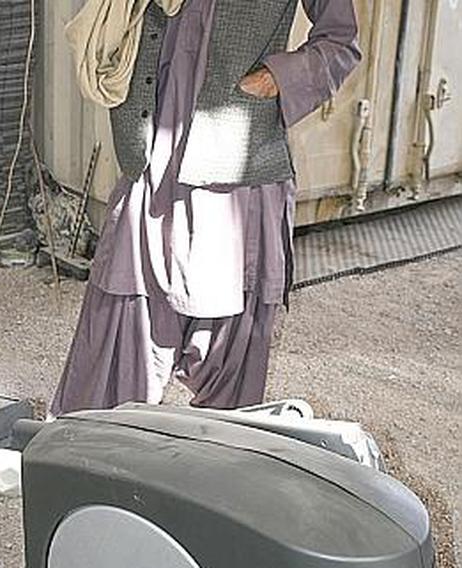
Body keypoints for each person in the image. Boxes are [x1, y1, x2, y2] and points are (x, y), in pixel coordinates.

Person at [52, 0, 361, 414]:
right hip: (150, 152)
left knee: (229, 342)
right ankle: (87, 459)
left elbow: (340, 41)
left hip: (235, 162)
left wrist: (276, 78)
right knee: (122, 326)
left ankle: (212, 462)